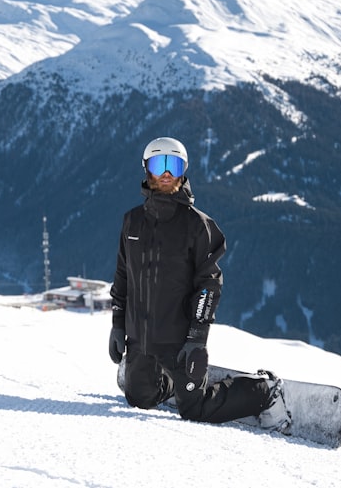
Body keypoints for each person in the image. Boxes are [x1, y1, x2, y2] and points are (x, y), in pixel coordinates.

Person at [108, 136, 292, 430]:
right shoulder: (132, 222)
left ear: (183, 172)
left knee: (195, 409)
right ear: (147, 169)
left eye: (174, 165)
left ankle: (264, 390)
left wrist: (196, 338)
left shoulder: (198, 226)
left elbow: (209, 285)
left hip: (179, 340)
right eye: (159, 164)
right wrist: (118, 324)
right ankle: (170, 382)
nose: (166, 173)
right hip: (140, 339)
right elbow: (122, 275)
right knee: (139, 398)